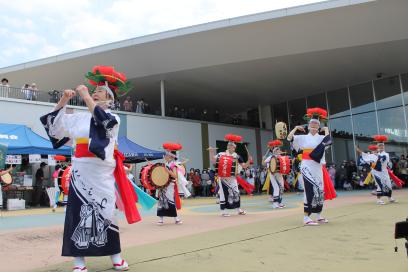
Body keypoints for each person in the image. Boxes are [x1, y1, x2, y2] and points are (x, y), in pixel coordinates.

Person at [40, 65, 140, 272]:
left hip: (101, 172)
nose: (95, 92)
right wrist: (63, 100)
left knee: (107, 212)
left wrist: (86, 96)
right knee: (77, 213)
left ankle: (116, 258)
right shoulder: (79, 117)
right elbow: (55, 129)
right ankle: (79, 262)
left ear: (110, 98)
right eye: (94, 91)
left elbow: (102, 123)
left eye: (100, 91)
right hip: (80, 171)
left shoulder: (114, 117)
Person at [287, 107, 335, 226]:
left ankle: (318, 215)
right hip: (306, 166)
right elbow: (289, 138)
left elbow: (329, 141)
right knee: (309, 189)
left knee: (320, 189)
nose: (313, 127)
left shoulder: (321, 138)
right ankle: (306, 217)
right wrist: (295, 128)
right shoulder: (302, 137)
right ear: (308, 126)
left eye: (316, 126)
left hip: (318, 167)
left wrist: (327, 130)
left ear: (318, 127)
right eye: (312, 125)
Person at [209, 134, 252, 217]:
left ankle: (238, 209)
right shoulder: (221, 154)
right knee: (223, 193)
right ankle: (223, 210)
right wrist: (211, 152)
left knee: (236, 192)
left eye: (231, 145)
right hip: (223, 177)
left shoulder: (237, 156)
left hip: (232, 177)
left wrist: (248, 161)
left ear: (234, 147)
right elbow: (214, 162)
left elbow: (244, 166)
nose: (229, 146)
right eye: (228, 145)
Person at [357, 136, 397, 205]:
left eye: (382, 146)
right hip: (377, 172)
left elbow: (385, 161)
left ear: (384, 146)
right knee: (379, 185)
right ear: (377, 146)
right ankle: (378, 199)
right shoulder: (373, 154)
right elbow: (365, 156)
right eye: (380, 146)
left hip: (384, 171)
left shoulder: (386, 154)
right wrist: (358, 150)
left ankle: (390, 198)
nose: (381, 147)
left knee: (388, 184)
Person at [156, 142, 183, 225]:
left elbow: (175, 176)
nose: (165, 156)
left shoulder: (173, 165)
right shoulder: (165, 164)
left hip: (170, 185)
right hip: (163, 185)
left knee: (170, 201)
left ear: (171, 156)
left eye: (167, 155)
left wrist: (168, 171)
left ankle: (176, 218)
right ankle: (161, 219)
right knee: (161, 201)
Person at [263, 140, 287, 208]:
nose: (278, 151)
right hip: (273, 174)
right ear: (274, 151)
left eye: (279, 150)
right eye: (277, 150)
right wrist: (264, 159)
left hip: (279, 174)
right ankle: (275, 204)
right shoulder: (271, 157)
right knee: (276, 188)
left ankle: (280, 202)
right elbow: (263, 164)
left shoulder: (281, 157)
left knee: (281, 188)